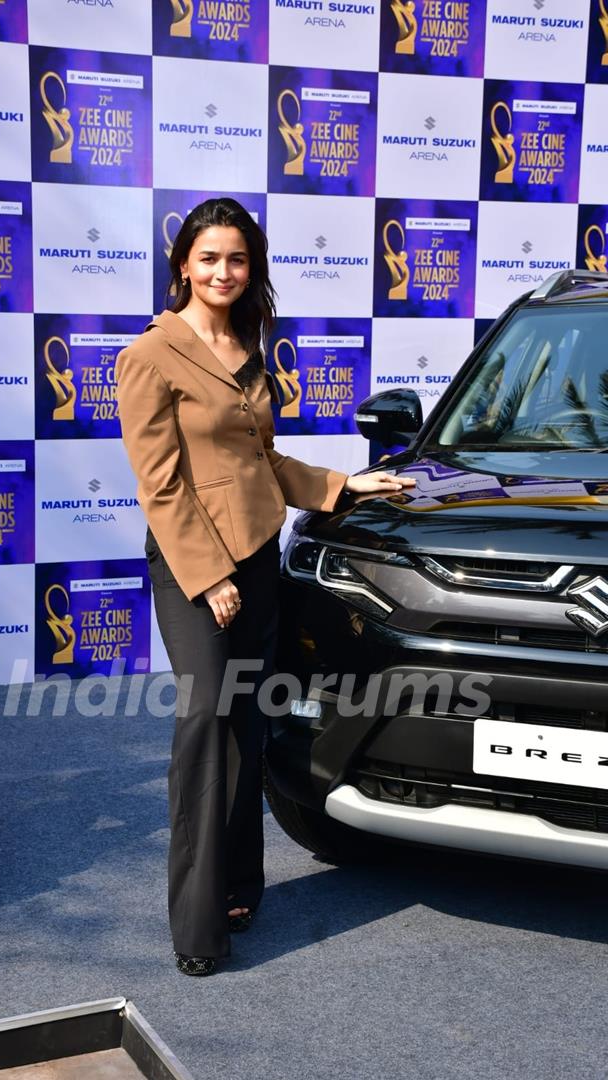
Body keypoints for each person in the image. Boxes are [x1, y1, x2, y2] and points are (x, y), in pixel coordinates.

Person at [115, 197, 415, 976]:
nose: (223, 271)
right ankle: (197, 923)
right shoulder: (150, 355)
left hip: (258, 557)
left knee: (248, 724)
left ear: (252, 269)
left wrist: (346, 485)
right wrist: (210, 576)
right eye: (209, 257)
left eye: (237, 259)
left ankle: (242, 887)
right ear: (184, 262)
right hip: (194, 570)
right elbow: (162, 485)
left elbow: (263, 464)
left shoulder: (247, 344)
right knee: (206, 728)